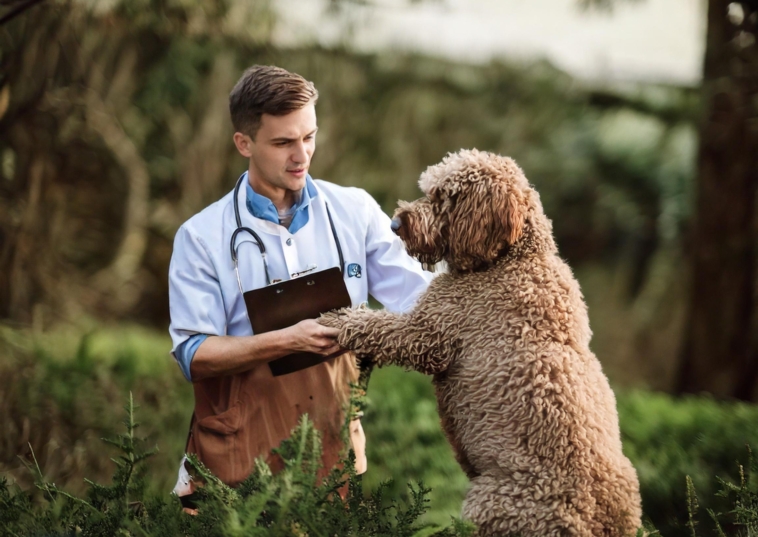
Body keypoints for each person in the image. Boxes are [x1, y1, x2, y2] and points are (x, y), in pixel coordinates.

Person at [167, 65, 431, 501]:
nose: (302, 155)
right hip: (233, 466)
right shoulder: (200, 236)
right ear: (243, 143)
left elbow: (420, 298)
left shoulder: (356, 211)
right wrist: (286, 340)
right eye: (283, 142)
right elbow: (192, 355)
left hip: (331, 455)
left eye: (309, 137)